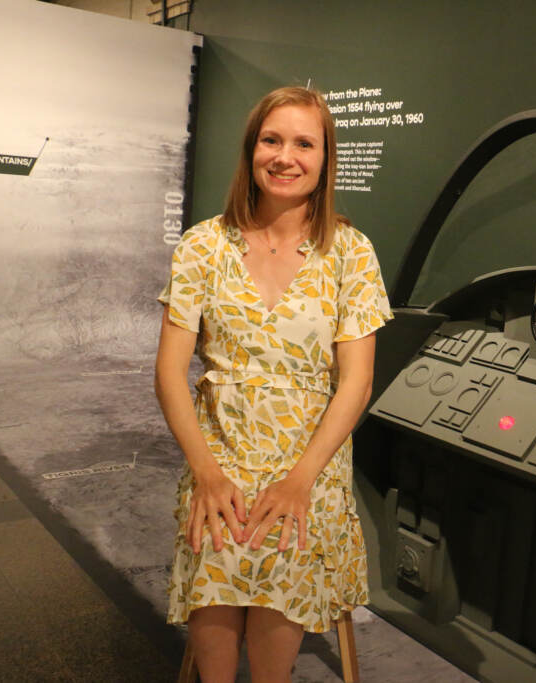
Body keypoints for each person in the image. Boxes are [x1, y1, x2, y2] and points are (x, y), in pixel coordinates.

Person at [154, 86, 392, 682]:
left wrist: (298, 482)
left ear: (325, 158)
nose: (286, 156)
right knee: (216, 538)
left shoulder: (350, 253)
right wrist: (207, 473)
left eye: (303, 143)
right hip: (220, 451)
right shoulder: (203, 246)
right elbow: (169, 372)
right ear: (252, 150)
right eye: (272, 140)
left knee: (282, 548)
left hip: (307, 463)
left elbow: (356, 383)